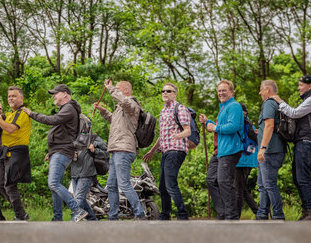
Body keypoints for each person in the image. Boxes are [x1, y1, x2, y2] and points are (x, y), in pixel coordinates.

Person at [23, 84, 88, 222]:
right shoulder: (66, 109)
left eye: (55, 93)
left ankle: (76, 209)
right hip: (58, 151)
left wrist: (31, 113)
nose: (53, 96)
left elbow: (51, 120)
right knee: (55, 184)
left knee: (53, 183)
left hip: (63, 151)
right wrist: (52, 151)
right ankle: (57, 217)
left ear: (65, 94)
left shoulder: (69, 108)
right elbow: (61, 132)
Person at [270, 75, 311, 220]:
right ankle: (306, 211)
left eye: (301, 85)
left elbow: (294, 113)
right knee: (297, 178)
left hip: (307, 142)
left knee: (303, 178)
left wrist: (279, 101)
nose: (299, 88)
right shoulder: (309, 99)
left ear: (310, 86)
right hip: (302, 142)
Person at [93, 79, 147, 220]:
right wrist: (103, 111)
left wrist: (111, 88)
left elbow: (124, 102)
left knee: (123, 184)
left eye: (118, 88)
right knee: (111, 185)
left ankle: (140, 214)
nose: (115, 90)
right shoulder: (120, 108)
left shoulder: (132, 104)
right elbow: (113, 120)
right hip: (116, 150)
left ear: (126, 91)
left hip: (124, 149)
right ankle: (113, 216)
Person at [143, 83, 192, 220]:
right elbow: (162, 136)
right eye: (163, 91)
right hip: (166, 151)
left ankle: (182, 215)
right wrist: (152, 151)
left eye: (168, 91)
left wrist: (178, 136)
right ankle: (165, 214)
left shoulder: (180, 109)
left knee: (170, 183)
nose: (165, 93)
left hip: (176, 150)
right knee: (163, 185)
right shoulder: (163, 111)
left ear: (175, 93)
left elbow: (188, 130)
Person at [199, 80, 244, 220]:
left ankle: (231, 216)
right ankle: (223, 212)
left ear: (231, 92)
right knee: (211, 179)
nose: (221, 93)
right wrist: (208, 122)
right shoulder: (223, 107)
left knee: (224, 181)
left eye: (224, 90)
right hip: (219, 151)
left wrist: (215, 127)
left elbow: (233, 126)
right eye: (219, 91)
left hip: (230, 150)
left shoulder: (234, 106)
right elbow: (219, 126)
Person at [0, 86, 31, 221]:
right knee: (0, 185)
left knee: (10, 185)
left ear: (21, 98)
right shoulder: (10, 114)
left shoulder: (22, 113)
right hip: (5, 154)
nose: (11, 98)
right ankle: (21, 212)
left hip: (17, 152)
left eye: (14, 96)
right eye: (9, 96)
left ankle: (20, 215)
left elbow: (10, 129)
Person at [256, 80, 286, 220]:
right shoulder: (277, 104)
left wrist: (262, 148)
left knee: (269, 184)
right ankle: (262, 213)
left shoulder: (269, 103)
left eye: (261, 89)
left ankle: (278, 215)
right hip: (272, 149)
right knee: (262, 184)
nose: (259, 92)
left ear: (267, 90)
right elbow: (266, 127)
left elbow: (269, 126)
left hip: (271, 151)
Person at [72, 114, 107, 221]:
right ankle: (93, 219)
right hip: (74, 173)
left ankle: (72, 221)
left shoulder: (94, 139)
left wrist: (94, 150)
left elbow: (106, 154)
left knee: (78, 199)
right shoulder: (73, 139)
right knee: (80, 199)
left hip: (88, 173)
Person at [235, 104, 259, 218]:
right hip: (249, 160)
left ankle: (236, 217)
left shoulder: (239, 123)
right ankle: (258, 212)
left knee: (238, 190)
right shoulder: (250, 124)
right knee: (242, 188)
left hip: (240, 160)